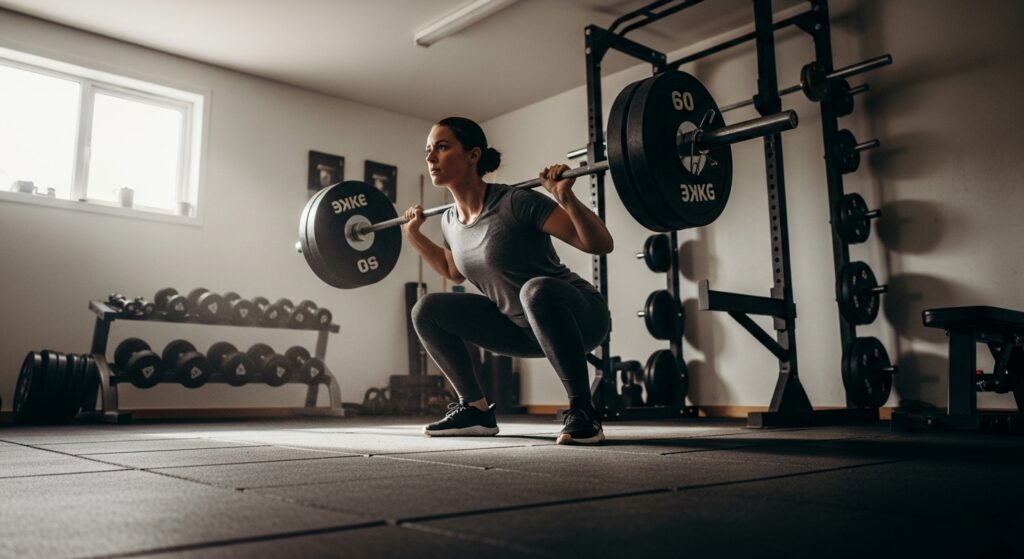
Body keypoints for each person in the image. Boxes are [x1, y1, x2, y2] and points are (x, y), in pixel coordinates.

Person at [402, 116, 614, 445]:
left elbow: (600, 244)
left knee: (535, 289)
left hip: (579, 317)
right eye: (429, 150)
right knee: (426, 309)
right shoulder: (448, 221)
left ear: (473, 155)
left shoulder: (515, 202)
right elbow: (453, 271)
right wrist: (413, 236)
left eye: (442, 148)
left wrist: (565, 198)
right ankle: (475, 410)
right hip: (520, 329)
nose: (430, 158)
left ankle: (583, 411)